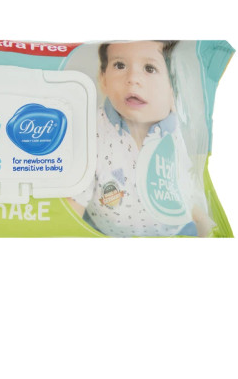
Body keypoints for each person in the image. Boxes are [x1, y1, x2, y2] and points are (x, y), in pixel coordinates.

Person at [68, 40, 213, 237]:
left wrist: (205, 229)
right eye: (120, 65)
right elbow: (75, 199)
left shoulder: (183, 132)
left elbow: (194, 193)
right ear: (103, 80)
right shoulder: (93, 130)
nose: (133, 78)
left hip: (177, 231)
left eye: (150, 68)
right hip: (104, 231)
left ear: (174, 87)